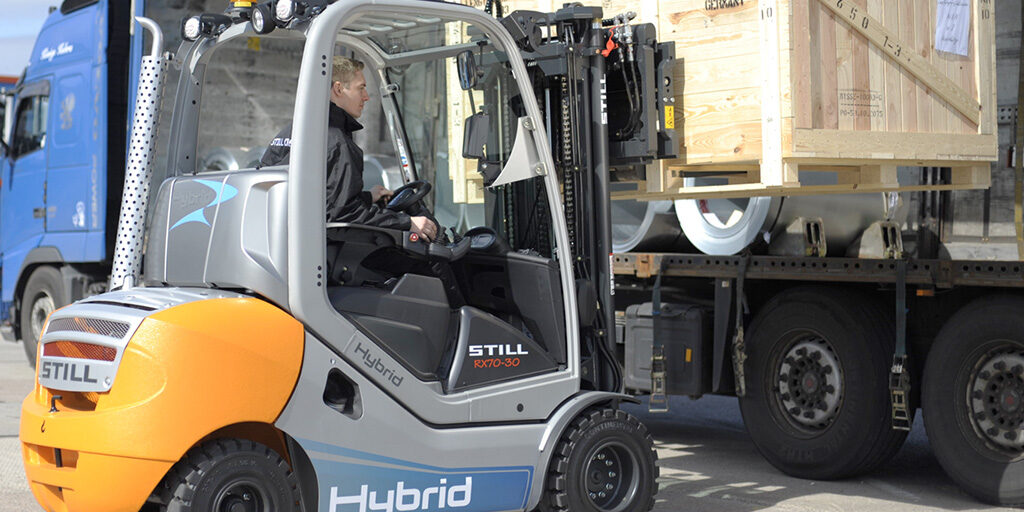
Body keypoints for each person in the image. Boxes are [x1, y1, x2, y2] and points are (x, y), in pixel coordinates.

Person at [260, 56, 437, 241]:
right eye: (361, 88)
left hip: (287, 239)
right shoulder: (337, 142)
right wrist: (408, 223)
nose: (367, 97)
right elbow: (344, 215)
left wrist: (368, 197)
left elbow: (319, 199)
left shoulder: (292, 131)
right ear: (338, 89)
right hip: (326, 252)